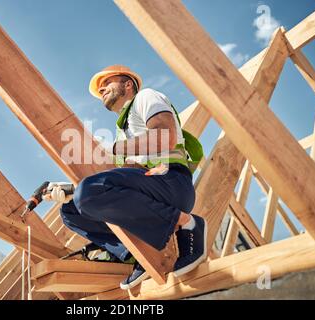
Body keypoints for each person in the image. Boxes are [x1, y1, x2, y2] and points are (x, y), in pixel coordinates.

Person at [47, 65, 207, 290]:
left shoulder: (145, 98)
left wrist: (112, 149)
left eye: (107, 83)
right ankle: (136, 253)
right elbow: (122, 183)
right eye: (100, 88)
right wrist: (72, 190)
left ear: (128, 84)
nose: (101, 89)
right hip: (149, 188)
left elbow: (165, 137)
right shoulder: (124, 130)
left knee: (88, 192)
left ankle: (188, 224)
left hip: (171, 183)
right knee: (71, 209)